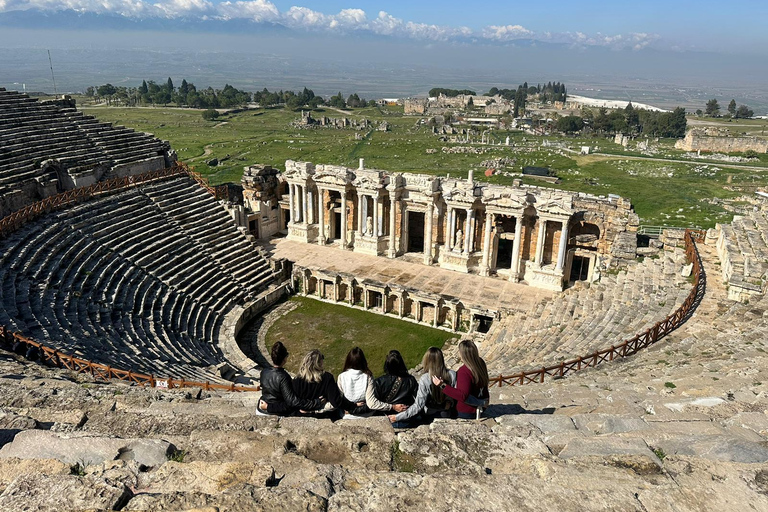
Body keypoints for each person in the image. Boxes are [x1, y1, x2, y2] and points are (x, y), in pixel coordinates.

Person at [388, 347, 456, 428]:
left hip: (430, 416)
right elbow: (455, 396)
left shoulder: (425, 379)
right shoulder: (452, 374)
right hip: (447, 413)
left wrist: (397, 417)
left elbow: (418, 406)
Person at [258, 341, 324, 415]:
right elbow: (292, 402)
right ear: (284, 359)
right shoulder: (283, 377)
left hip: (261, 408)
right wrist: (315, 403)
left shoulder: (264, 372)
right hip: (275, 411)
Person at [337, 347, 405, 416]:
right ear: (363, 361)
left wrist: (350, 407)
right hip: (366, 415)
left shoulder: (341, 377)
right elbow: (371, 403)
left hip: (347, 415)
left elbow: (339, 399)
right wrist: (392, 407)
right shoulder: (368, 377)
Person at [434, 340, 489, 419]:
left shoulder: (464, 371)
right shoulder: (481, 363)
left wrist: (442, 385)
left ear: (462, 354)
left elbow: (463, 395)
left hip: (466, 411)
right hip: (481, 406)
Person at [292, 349, 353, 419]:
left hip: (302, 416)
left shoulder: (297, 381)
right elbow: (335, 401)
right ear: (319, 363)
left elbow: (295, 402)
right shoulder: (327, 378)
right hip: (322, 416)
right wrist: (352, 406)